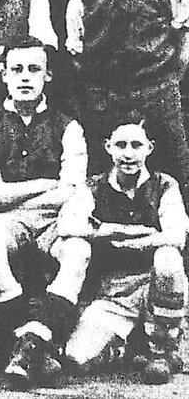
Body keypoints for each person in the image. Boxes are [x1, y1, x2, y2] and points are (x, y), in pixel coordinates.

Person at [0, 37, 91, 389]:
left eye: (34, 69)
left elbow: (71, 188)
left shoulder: (68, 126)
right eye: (17, 70)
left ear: (48, 76)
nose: (25, 77)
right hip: (8, 220)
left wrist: (8, 194)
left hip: (54, 220)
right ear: (4, 76)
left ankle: (30, 344)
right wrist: (44, 184)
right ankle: (24, 344)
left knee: (78, 250)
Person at [65, 0, 189, 185]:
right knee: (100, 178)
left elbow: (184, 41)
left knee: (178, 173)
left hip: (159, 96)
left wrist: (165, 82)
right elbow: (75, 49)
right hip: (104, 99)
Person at [59, 116, 188, 385]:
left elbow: (176, 235)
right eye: (120, 145)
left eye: (136, 145)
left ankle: (162, 350)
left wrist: (140, 243)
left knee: (168, 257)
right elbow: (67, 224)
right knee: (75, 358)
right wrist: (121, 231)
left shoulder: (164, 184)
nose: (128, 154)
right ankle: (132, 343)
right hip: (116, 290)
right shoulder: (94, 187)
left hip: (155, 283)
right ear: (108, 147)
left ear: (149, 148)